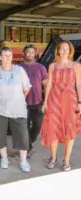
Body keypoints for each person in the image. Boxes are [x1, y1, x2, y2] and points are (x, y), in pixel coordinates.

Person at [40, 40, 81, 172]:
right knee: (53, 128)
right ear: (58, 50)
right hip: (54, 100)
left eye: (66, 49)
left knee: (69, 129)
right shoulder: (52, 66)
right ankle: (53, 158)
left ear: (70, 51)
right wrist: (45, 102)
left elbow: (79, 85)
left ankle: (67, 160)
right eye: (62, 49)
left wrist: (80, 102)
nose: (64, 51)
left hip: (70, 100)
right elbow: (49, 84)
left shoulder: (76, 65)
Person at [0, 47, 32, 173]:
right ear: (0, 58)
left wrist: (17, 99)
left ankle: (23, 161)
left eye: (10, 55)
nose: (8, 58)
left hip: (18, 109)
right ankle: (4, 158)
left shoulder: (19, 70)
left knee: (22, 135)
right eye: (5, 55)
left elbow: (27, 88)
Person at [19, 44, 48, 159]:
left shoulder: (41, 68)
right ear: (24, 53)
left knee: (38, 126)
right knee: (24, 128)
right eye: (28, 52)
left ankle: (29, 143)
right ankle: (27, 148)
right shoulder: (19, 68)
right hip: (22, 103)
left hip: (37, 102)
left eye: (32, 52)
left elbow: (46, 85)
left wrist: (46, 101)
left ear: (35, 53)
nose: (30, 54)